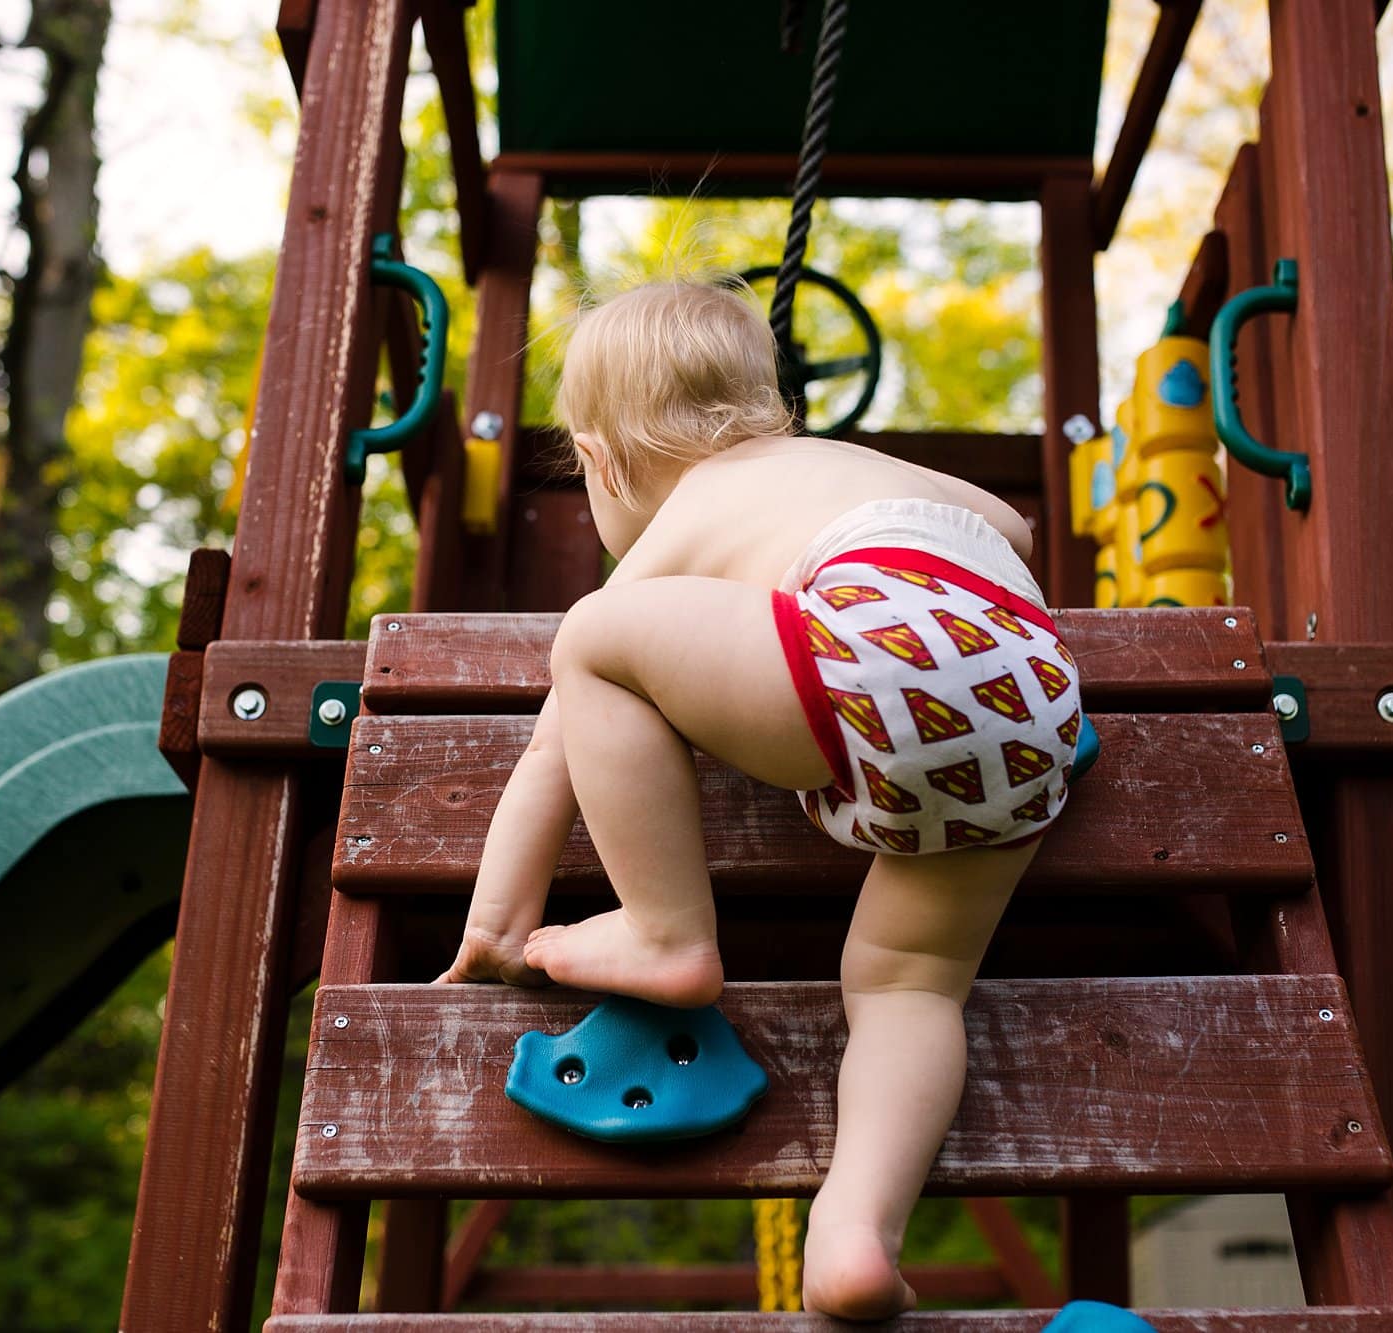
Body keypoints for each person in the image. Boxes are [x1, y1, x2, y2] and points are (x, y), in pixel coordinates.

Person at [436, 281, 1081, 1319]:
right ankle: (854, 1233)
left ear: (599, 462)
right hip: (1029, 714)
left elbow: (564, 731)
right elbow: (1010, 524)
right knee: (909, 987)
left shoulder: (686, 511)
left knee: (589, 641)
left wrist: (498, 922)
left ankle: (664, 934)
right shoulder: (848, 469)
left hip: (872, 663)